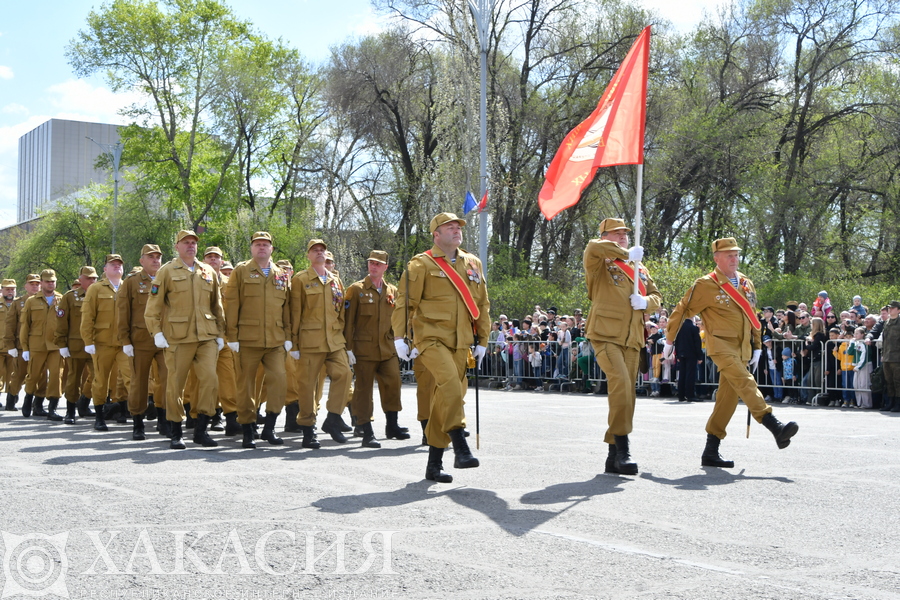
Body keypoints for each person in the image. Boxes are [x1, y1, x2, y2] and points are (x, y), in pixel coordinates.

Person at [666, 238, 798, 468]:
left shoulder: (746, 283)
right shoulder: (706, 284)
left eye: (736, 254)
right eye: (728, 255)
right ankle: (773, 424)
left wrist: (757, 345)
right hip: (721, 345)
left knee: (726, 401)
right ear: (716, 258)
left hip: (742, 347)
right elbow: (682, 309)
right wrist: (669, 339)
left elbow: (752, 315)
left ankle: (711, 450)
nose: (734, 259)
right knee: (745, 381)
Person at [393, 212, 490, 483]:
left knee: (446, 400)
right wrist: (399, 337)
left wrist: (483, 339)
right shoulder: (420, 264)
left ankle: (433, 465)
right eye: (449, 227)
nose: (456, 230)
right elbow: (405, 302)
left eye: (458, 226)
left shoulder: (473, 263)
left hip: (461, 343)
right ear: (436, 234)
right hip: (431, 338)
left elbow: (482, 304)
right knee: (449, 386)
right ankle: (460, 445)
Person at [583, 217, 661, 475]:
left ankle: (613, 454)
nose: (622, 236)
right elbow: (593, 247)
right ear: (605, 235)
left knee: (627, 395)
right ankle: (624, 447)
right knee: (621, 385)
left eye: (625, 233)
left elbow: (657, 298)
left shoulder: (639, 267)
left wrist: (645, 303)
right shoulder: (600, 262)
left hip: (633, 338)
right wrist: (626, 253)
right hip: (606, 334)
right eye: (615, 233)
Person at [144, 230, 226, 449]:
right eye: (186, 242)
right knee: (176, 384)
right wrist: (157, 333)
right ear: (177, 246)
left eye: (193, 243)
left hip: (206, 336)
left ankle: (201, 430)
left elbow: (216, 305)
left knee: (210, 380)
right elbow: (152, 307)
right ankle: (176, 431)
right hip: (178, 337)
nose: (190, 246)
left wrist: (220, 333)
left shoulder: (207, 270)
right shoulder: (167, 271)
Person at [224, 231, 292, 449]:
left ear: (271, 249)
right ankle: (247, 429)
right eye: (257, 244)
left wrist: (289, 336)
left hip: (275, 340)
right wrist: (231, 336)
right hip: (247, 340)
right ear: (252, 248)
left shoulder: (282, 274)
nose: (261, 247)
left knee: (280, 382)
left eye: (265, 244)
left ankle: (269, 427)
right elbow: (231, 304)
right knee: (245, 387)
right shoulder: (241, 271)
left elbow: (287, 309)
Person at [289, 239, 353, 448]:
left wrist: (342, 338)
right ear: (308, 255)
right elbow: (295, 313)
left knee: (344, 374)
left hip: (334, 340)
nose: (319, 253)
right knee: (307, 386)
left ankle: (333, 418)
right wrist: (294, 344)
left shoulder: (335, 280)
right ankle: (308, 427)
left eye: (322, 250)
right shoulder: (300, 279)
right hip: (310, 341)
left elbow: (340, 313)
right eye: (315, 250)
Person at [343, 250, 410, 448]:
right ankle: (365, 429)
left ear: (385, 267)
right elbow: (348, 322)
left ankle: (392, 425)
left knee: (393, 384)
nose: (374, 266)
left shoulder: (392, 291)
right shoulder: (356, 290)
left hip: (387, 348)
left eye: (378, 264)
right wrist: (348, 348)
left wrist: (403, 341)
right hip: (363, 349)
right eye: (371, 262)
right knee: (363, 390)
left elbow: (399, 320)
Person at [117, 244, 168, 440]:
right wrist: (125, 341)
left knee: (167, 381)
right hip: (140, 341)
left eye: (158, 256)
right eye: (151, 257)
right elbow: (122, 313)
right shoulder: (131, 282)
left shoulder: (167, 278)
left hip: (164, 340)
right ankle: (138, 422)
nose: (155, 260)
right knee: (139, 383)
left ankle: (164, 420)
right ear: (142, 261)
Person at [81, 254, 132, 431]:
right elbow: (87, 316)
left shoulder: (128, 287)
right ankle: (99, 416)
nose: (117, 267)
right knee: (101, 380)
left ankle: (135, 415)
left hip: (124, 343)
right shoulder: (96, 289)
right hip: (102, 343)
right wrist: (88, 340)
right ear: (105, 269)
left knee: (131, 378)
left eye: (119, 264)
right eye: (113, 264)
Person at [20, 269, 64, 421]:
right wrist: (25, 347)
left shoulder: (61, 299)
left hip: (56, 345)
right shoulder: (32, 301)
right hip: (37, 344)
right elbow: (25, 326)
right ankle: (28, 399)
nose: (50, 284)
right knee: (34, 375)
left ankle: (53, 407)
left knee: (56, 376)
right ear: (42, 283)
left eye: (53, 281)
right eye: (47, 281)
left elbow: (66, 324)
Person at [55, 267, 98, 422]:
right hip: (76, 346)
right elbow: (61, 322)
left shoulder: (100, 295)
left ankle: (85, 402)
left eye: (94, 278)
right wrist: (62, 344)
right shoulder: (70, 297)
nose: (92, 281)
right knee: (74, 380)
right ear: (81, 280)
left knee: (98, 377)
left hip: (96, 345)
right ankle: (70, 411)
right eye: (89, 278)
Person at [5, 274, 42, 414]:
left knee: (41, 376)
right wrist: (10, 345)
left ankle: (38, 404)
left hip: (41, 346)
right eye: (31, 284)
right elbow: (10, 325)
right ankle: (11, 398)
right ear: (25, 286)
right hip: (21, 346)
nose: (35, 286)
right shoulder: (18, 302)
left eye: (37, 284)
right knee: (19, 374)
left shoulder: (48, 301)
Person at [877, 301, 900, 412]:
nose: (890, 310)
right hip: (887, 356)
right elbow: (885, 340)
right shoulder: (887, 322)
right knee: (888, 381)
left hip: (897, 357)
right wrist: (883, 354)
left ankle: (898, 403)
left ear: (898, 310)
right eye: (889, 308)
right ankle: (890, 402)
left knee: (898, 381)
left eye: (893, 308)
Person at [674, 317, 703, 403]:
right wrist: (700, 356)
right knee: (690, 375)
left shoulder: (679, 327)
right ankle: (690, 395)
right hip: (691, 354)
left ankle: (681, 395)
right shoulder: (693, 328)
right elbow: (697, 343)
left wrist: (678, 355)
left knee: (682, 374)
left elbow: (677, 341)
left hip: (681, 353)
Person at [0, 278, 17, 409]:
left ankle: (11, 401)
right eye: (7, 289)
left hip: (14, 346)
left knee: (13, 375)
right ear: (2, 290)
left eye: (12, 289)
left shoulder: (20, 304)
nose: (10, 292)